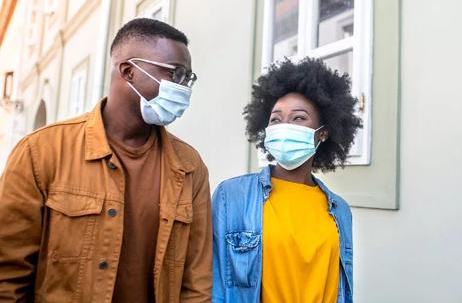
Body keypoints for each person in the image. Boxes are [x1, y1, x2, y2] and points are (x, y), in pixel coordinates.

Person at [0, 18, 212, 302]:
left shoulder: (190, 167)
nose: (183, 87)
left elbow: (195, 283)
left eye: (188, 78)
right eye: (175, 74)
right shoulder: (40, 152)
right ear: (128, 71)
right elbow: (8, 275)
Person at [212, 58, 361, 303]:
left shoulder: (340, 211)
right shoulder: (232, 196)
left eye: (299, 118)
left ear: (323, 133)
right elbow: (212, 281)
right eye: (275, 119)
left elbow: (342, 290)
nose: (284, 126)